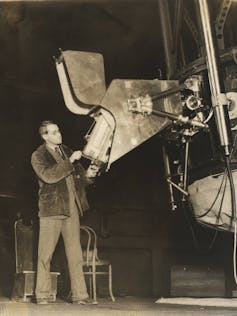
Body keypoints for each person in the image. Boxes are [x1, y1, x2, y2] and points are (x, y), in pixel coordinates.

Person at [31, 120, 97, 305]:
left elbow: (80, 179)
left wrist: (90, 174)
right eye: (54, 132)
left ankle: (80, 295)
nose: (59, 134)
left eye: (58, 131)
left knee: (75, 254)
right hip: (51, 211)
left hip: (71, 210)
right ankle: (42, 295)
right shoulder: (38, 155)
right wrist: (70, 161)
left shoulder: (66, 151)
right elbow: (49, 176)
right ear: (45, 136)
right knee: (45, 255)